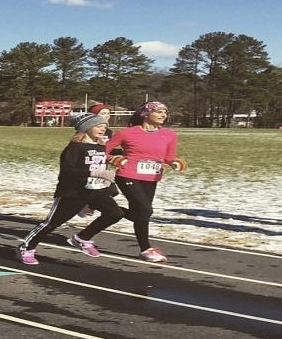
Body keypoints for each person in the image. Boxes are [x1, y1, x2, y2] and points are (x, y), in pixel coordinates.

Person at [17, 113, 125, 265]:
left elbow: (101, 168)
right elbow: (67, 172)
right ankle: (27, 247)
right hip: (73, 192)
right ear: (86, 128)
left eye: (104, 127)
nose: (103, 129)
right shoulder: (75, 148)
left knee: (115, 213)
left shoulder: (100, 147)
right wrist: (91, 173)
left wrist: (107, 181)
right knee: (52, 223)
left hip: (95, 190)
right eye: (98, 126)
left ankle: (82, 238)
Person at [106, 101, 188, 263]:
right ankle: (146, 249)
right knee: (146, 210)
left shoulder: (170, 134)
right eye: (158, 112)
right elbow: (102, 151)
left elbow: (168, 157)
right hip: (128, 175)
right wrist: (114, 159)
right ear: (145, 114)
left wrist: (174, 163)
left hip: (151, 178)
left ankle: (98, 206)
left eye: (165, 112)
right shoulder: (127, 133)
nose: (163, 115)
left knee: (140, 214)